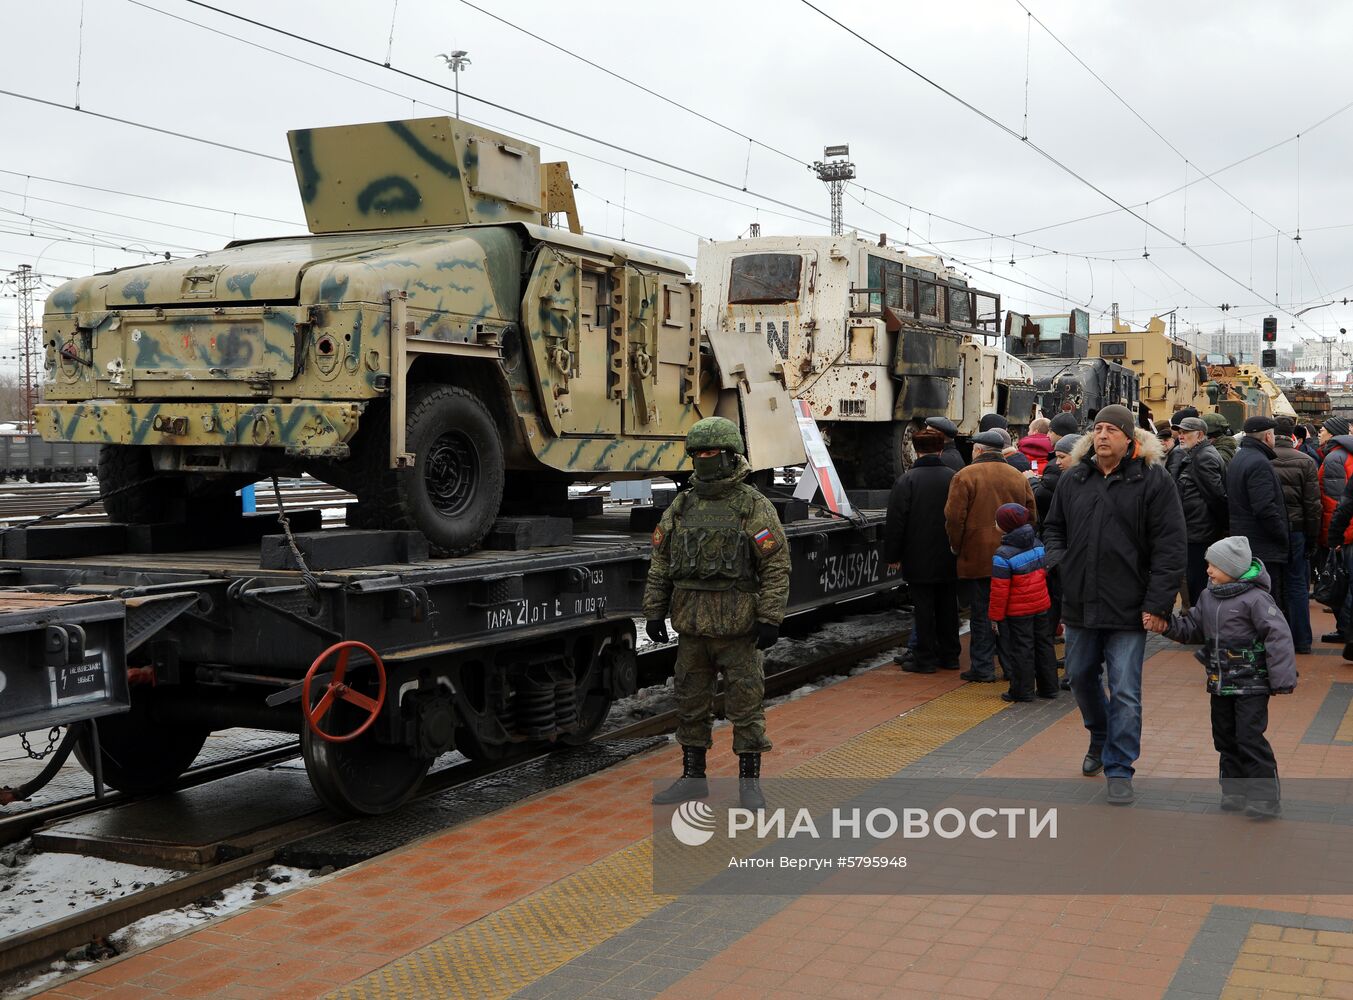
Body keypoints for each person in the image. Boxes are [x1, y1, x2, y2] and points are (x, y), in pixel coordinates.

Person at [1043, 404, 1186, 805]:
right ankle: (1100, 734)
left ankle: (1120, 767)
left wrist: (1158, 604)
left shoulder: (1153, 481)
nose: (1103, 435)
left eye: (1112, 430)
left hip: (1129, 606)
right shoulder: (1075, 479)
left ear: (1129, 439)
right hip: (1080, 600)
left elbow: (1170, 548)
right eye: (1098, 429)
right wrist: (1060, 561)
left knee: (1124, 689)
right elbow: (1053, 528)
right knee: (1080, 674)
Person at [644, 416, 789, 810]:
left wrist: (769, 617)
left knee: (746, 707)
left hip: (738, 628)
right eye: (698, 453)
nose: (704, 459)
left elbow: (775, 566)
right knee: (690, 705)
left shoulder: (752, 506)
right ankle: (693, 778)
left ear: (729, 456)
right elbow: (661, 561)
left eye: (711, 453)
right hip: (692, 628)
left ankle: (749, 785)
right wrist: (654, 612)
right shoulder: (683, 505)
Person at [1150, 535, 1296, 819]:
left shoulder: (1256, 599)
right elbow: (1192, 628)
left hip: (1252, 685)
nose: (1208, 570)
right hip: (1220, 684)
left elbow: (1278, 636)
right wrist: (1166, 626)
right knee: (1225, 738)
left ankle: (1264, 798)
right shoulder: (1208, 597)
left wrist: (1281, 678)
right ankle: (1234, 790)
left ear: (1233, 568)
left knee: (1249, 738)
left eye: (1214, 565)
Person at [944, 430, 1038, 684]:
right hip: (1015, 557)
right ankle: (1010, 668)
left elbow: (954, 518)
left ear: (978, 450)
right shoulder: (1018, 477)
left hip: (979, 556)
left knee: (982, 612)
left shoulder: (964, 476)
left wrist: (957, 545)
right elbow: (1031, 515)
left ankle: (983, 668)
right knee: (1008, 613)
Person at [884, 428, 960, 674]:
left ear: (916, 451)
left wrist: (893, 556)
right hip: (949, 555)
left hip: (918, 557)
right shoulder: (954, 477)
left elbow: (896, 521)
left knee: (924, 608)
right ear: (940, 449)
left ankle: (925, 658)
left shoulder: (906, 480)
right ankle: (950, 656)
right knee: (948, 606)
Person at [988, 503, 1057, 702]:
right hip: (1041, 605)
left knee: (1021, 649)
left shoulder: (1002, 555)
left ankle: (1022, 691)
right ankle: (1049, 687)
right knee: (1044, 645)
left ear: (1006, 525)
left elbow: (999, 591)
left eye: (997, 521)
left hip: (1018, 613)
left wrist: (995, 617)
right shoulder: (1037, 544)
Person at [1226, 416, 1290, 620]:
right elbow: (1264, 508)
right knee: (1267, 604)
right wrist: (1282, 535)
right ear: (1268, 436)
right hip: (1263, 545)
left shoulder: (1240, 457)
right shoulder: (1259, 463)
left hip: (1247, 542)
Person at [1272, 416, 1320, 653]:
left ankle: (1273, 639)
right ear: (1293, 435)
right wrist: (1313, 537)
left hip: (1270, 530)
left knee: (1269, 584)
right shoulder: (1306, 461)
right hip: (1297, 530)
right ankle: (1301, 640)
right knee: (1297, 585)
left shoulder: (1262, 459)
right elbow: (1312, 505)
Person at [1174, 415, 1228, 603]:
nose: (1181, 436)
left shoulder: (1203, 457)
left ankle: (1201, 626)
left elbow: (1217, 496)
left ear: (1200, 435)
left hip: (1200, 532)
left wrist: (1221, 526)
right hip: (1197, 529)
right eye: (1180, 432)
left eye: (1186, 432)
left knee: (1197, 583)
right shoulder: (1197, 455)